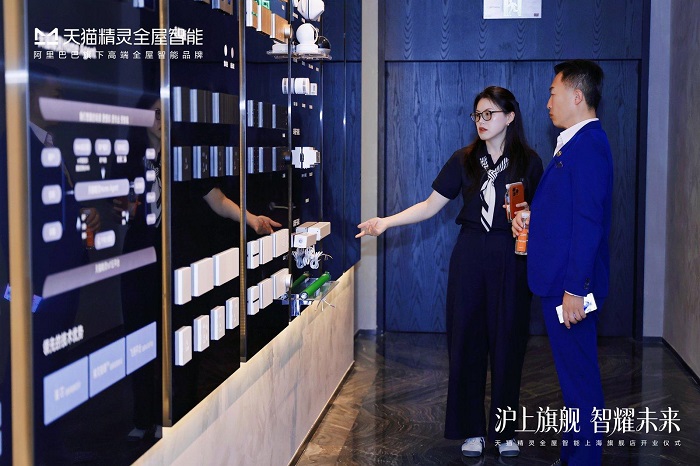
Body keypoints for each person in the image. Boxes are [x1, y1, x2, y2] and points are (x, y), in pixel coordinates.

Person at [357, 86, 543, 458]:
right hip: (470, 255)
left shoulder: (529, 161)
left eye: (489, 114)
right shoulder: (464, 160)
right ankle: (471, 429)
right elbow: (430, 206)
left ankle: (504, 432)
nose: (481, 122)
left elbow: (543, 210)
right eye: (477, 115)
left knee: (508, 344)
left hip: (511, 257)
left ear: (510, 117)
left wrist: (529, 218)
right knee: (466, 342)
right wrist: (386, 222)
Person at [512, 60, 613, 466]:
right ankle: (572, 457)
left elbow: (588, 222)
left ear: (577, 96)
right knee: (572, 381)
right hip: (560, 282)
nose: (548, 102)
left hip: (570, 287)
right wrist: (532, 217)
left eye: (553, 94)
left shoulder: (588, 146)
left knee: (580, 383)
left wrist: (575, 288)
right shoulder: (574, 142)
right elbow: (568, 212)